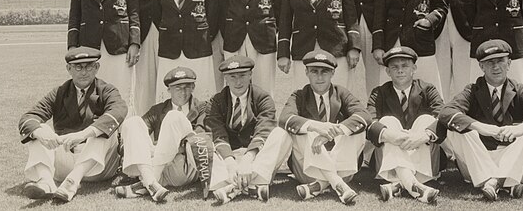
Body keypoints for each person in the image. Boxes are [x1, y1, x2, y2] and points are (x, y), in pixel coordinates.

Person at [439, 39, 523, 201]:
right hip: (478, 160)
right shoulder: (473, 90)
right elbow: (446, 112)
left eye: (500, 61)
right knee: (459, 130)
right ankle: (508, 182)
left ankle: (493, 182)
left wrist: (520, 128)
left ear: (509, 64)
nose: (496, 67)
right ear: (481, 66)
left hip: (510, 155)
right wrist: (481, 127)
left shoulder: (518, 89)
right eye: (489, 62)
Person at [18, 47, 127, 202]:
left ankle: (72, 182)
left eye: (89, 66)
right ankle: (46, 182)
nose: (84, 72)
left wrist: (83, 134)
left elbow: (119, 110)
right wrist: (39, 132)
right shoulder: (59, 92)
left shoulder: (106, 90)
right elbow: (28, 117)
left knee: (104, 130)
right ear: (69, 69)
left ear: (97, 68)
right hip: (66, 159)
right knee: (38, 129)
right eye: (78, 67)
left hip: (98, 166)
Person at [271, 50, 371, 204]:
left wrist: (330, 132)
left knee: (355, 130)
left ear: (332, 73)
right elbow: (285, 119)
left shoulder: (341, 93)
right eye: (314, 71)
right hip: (308, 169)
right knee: (305, 130)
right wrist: (317, 126)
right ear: (306, 72)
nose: (319, 77)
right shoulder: (299, 95)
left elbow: (364, 116)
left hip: (342, 165)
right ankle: (337, 184)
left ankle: (321, 185)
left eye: (325, 72)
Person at [115, 66, 209, 202]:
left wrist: (165, 148)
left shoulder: (202, 107)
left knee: (173, 117)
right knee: (133, 122)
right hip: (161, 167)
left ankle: (146, 182)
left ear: (193, 87)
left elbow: (200, 138)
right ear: (168, 90)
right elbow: (138, 135)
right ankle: (152, 183)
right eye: (177, 88)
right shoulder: (158, 109)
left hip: (182, 166)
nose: (183, 92)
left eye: (187, 87)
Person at [366, 47, 443, 204]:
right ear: (387, 71)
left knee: (427, 120)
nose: (400, 71)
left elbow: (442, 117)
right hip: (391, 156)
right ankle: (414, 186)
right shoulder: (379, 92)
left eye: (405, 66)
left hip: (422, 156)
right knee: (387, 121)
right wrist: (393, 136)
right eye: (394, 67)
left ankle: (399, 185)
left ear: (414, 68)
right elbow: (369, 122)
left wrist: (420, 136)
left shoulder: (427, 89)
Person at [152, 0, 218, 102]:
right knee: (171, 94)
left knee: (201, 92)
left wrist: (200, 36)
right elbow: (157, 15)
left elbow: (213, 15)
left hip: (199, 49)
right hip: (170, 50)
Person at [205, 56, 277, 204]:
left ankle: (232, 188)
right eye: (232, 76)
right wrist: (230, 162)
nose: (238, 82)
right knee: (202, 141)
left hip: (254, 157)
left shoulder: (263, 98)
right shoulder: (216, 101)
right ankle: (252, 187)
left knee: (280, 135)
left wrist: (248, 159)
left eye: (243, 75)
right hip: (228, 157)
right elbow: (217, 133)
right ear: (225, 78)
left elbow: (264, 129)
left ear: (250, 75)